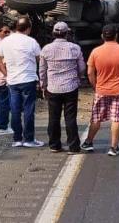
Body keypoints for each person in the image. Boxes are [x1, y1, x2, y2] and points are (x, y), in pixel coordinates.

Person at [81, 24, 119, 157]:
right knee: (116, 119)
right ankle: (113, 147)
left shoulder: (95, 52)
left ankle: (88, 142)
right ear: (116, 35)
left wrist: (95, 86)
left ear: (102, 36)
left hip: (101, 90)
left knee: (96, 118)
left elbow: (89, 73)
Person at [0, 16, 44, 148]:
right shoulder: (31, 41)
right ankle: (29, 139)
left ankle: (17, 139)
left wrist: (6, 74)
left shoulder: (5, 42)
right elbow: (40, 59)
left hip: (12, 81)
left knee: (15, 110)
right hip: (28, 79)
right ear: (28, 29)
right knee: (28, 109)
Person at [39, 21, 86, 154]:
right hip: (71, 87)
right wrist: (77, 77)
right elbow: (82, 68)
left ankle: (54, 145)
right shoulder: (75, 48)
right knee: (70, 117)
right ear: (67, 34)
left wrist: (43, 84)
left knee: (53, 117)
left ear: (53, 33)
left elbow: (42, 70)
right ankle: (73, 146)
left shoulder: (46, 49)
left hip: (53, 88)